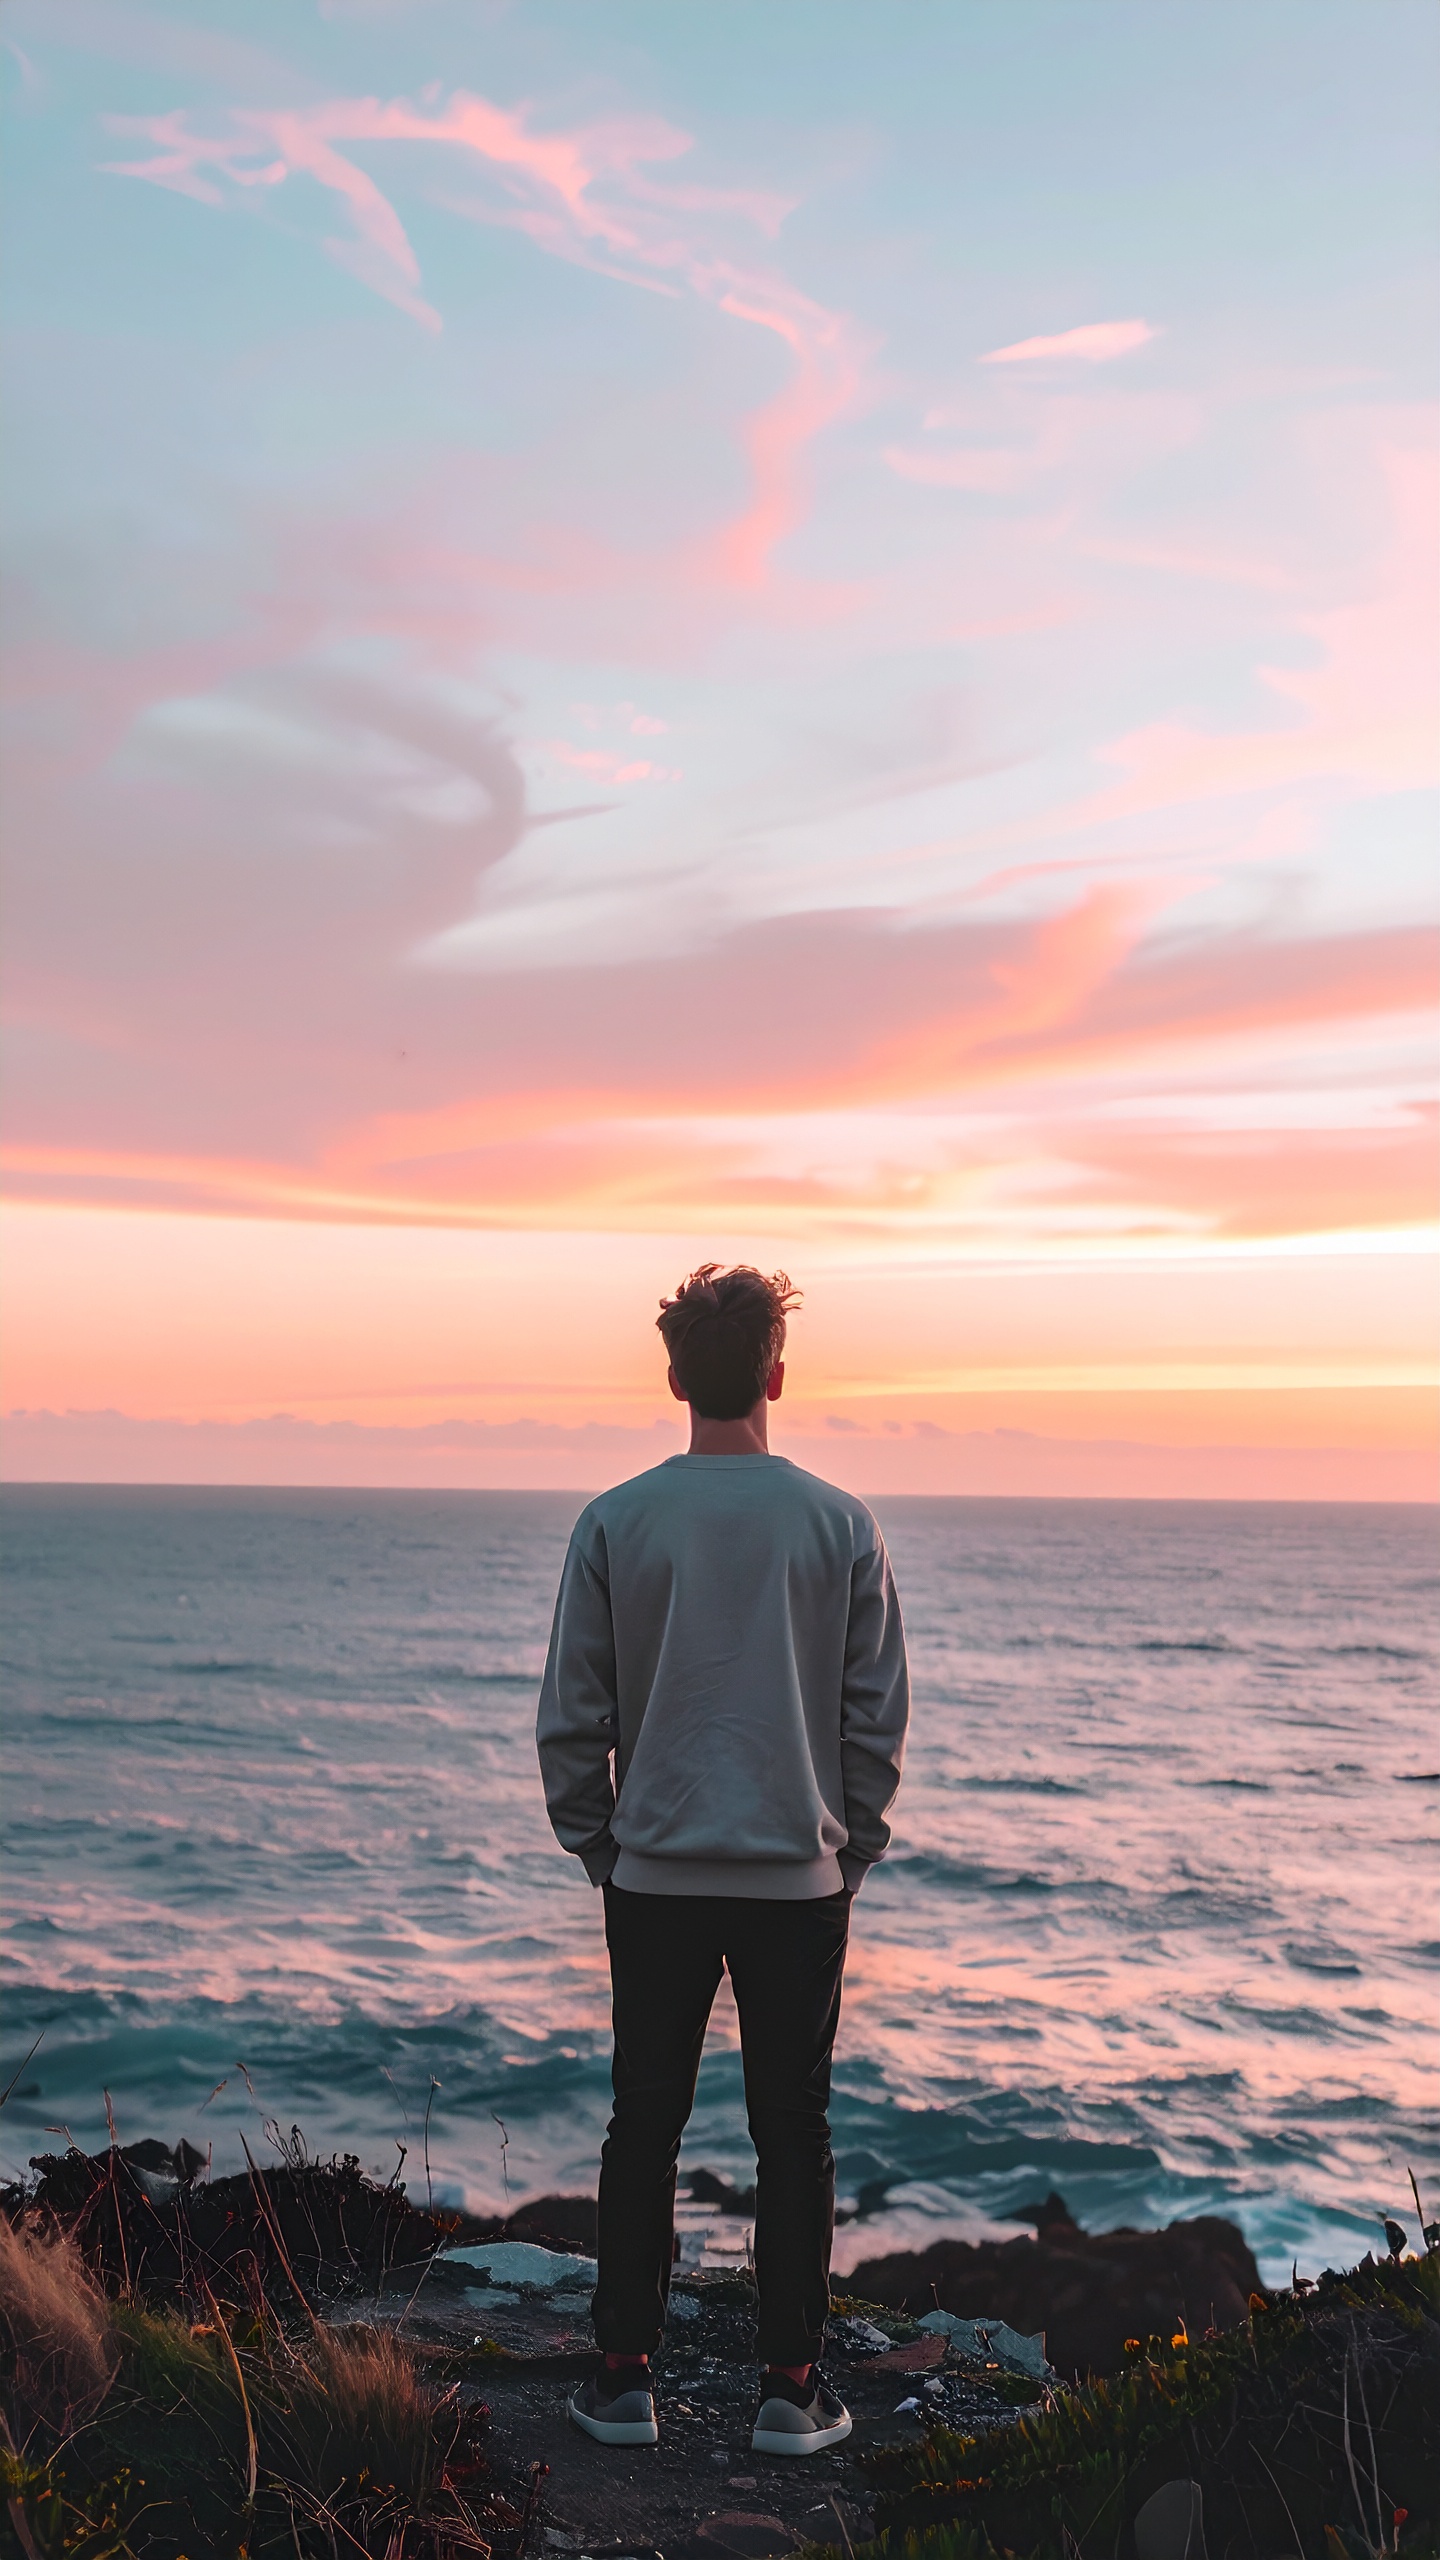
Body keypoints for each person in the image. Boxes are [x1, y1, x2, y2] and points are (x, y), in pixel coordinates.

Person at [535, 1264, 909, 2457]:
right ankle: (792, 2389)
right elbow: (874, 1717)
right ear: (775, 1376)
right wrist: (851, 1848)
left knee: (642, 2124)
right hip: (797, 1880)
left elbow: (569, 1716)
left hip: (653, 1875)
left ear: (674, 1377)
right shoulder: (840, 1522)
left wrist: (601, 1843)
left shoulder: (616, 1519)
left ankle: (623, 2379)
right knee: (791, 2129)